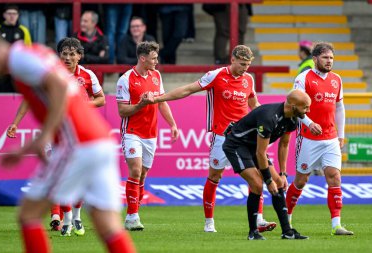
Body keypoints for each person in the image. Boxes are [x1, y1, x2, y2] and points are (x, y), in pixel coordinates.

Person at [0, 37, 136, 253]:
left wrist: (46, 134)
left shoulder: (20, 58)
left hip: (78, 145)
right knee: (107, 223)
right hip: (100, 141)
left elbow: (59, 87)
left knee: (29, 214)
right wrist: (26, 147)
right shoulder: (36, 54)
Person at [147, 45, 275, 233]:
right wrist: (159, 98)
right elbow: (188, 89)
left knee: (256, 175)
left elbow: (253, 104)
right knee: (215, 176)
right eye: (242, 64)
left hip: (245, 137)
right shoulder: (215, 75)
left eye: (248, 65)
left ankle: (259, 219)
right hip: (221, 137)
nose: (245, 68)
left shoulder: (249, 79)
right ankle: (209, 222)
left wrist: (266, 117)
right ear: (232, 59)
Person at [6, 37, 105, 236]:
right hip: (55, 132)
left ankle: (76, 216)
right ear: (59, 55)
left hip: (80, 132)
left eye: (72, 54)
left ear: (79, 56)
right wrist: (16, 123)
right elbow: (28, 100)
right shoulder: (49, 74)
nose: (67, 58)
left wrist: (80, 106)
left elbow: (101, 99)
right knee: (60, 177)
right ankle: (66, 219)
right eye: (64, 54)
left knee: (80, 177)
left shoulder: (87, 75)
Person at [221, 89, 311, 240]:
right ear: (293, 106)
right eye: (306, 107)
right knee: (257, 184)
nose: (308, 111)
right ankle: (252, 232)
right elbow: (261, 153)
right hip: (236, 144)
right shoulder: (269, 117)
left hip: (254, 147)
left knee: (279, 183)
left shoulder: (293, 120)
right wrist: (268, 181)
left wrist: (282, 174)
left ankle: (287, 232)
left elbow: (284, 145)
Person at [286, 42, 354, 236]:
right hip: (308, 137)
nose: (329, 61)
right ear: (315, 59)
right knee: (301, 180)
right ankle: (287, 219)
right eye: (325, 57)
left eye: (331, 58)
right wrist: (309, 123)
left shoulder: (336, 79)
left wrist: (341, 135)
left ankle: (336, 225)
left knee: (334, 177)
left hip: (331, 138)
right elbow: (294, 105)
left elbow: (339, 108)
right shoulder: (303, 78)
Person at [116, 41, 179, 231]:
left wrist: (172, 123)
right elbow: (122, 111)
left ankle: (135, 211)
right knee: (135, 171)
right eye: (153, 58)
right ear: (142, 58)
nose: (156, 61)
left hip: (151, 133)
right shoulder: (125, 79)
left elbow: (161, 102)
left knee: (142, 175)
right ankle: (131, 217)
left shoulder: (156, 76)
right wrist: (140, 105)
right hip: (132, 132)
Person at [0, 4, 31, 93]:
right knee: (1, 98)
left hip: (17, 72)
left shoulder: (24, 31)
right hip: (1, 73)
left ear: (18, 15)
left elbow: (28, 51)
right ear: (4, 15)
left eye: (14, 14)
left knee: (17, 98)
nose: (12, 16)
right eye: (9, 13)